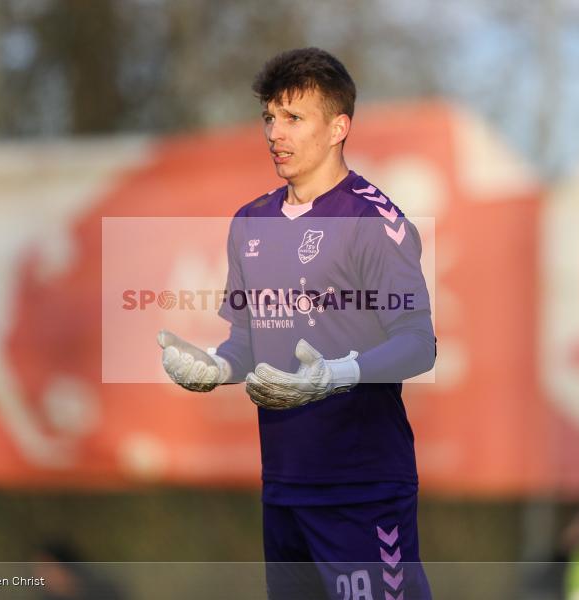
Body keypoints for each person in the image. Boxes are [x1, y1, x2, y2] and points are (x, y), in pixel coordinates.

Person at [158, 48, 436, 599]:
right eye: (269, 117)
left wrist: (338, 372)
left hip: (362, 486)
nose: (275, 134)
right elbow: (245, 339)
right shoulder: (250, 222)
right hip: (284, 485)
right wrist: (214, 366)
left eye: (293, 118)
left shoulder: (373, 220)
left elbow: (417, 343)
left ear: (339, 127)